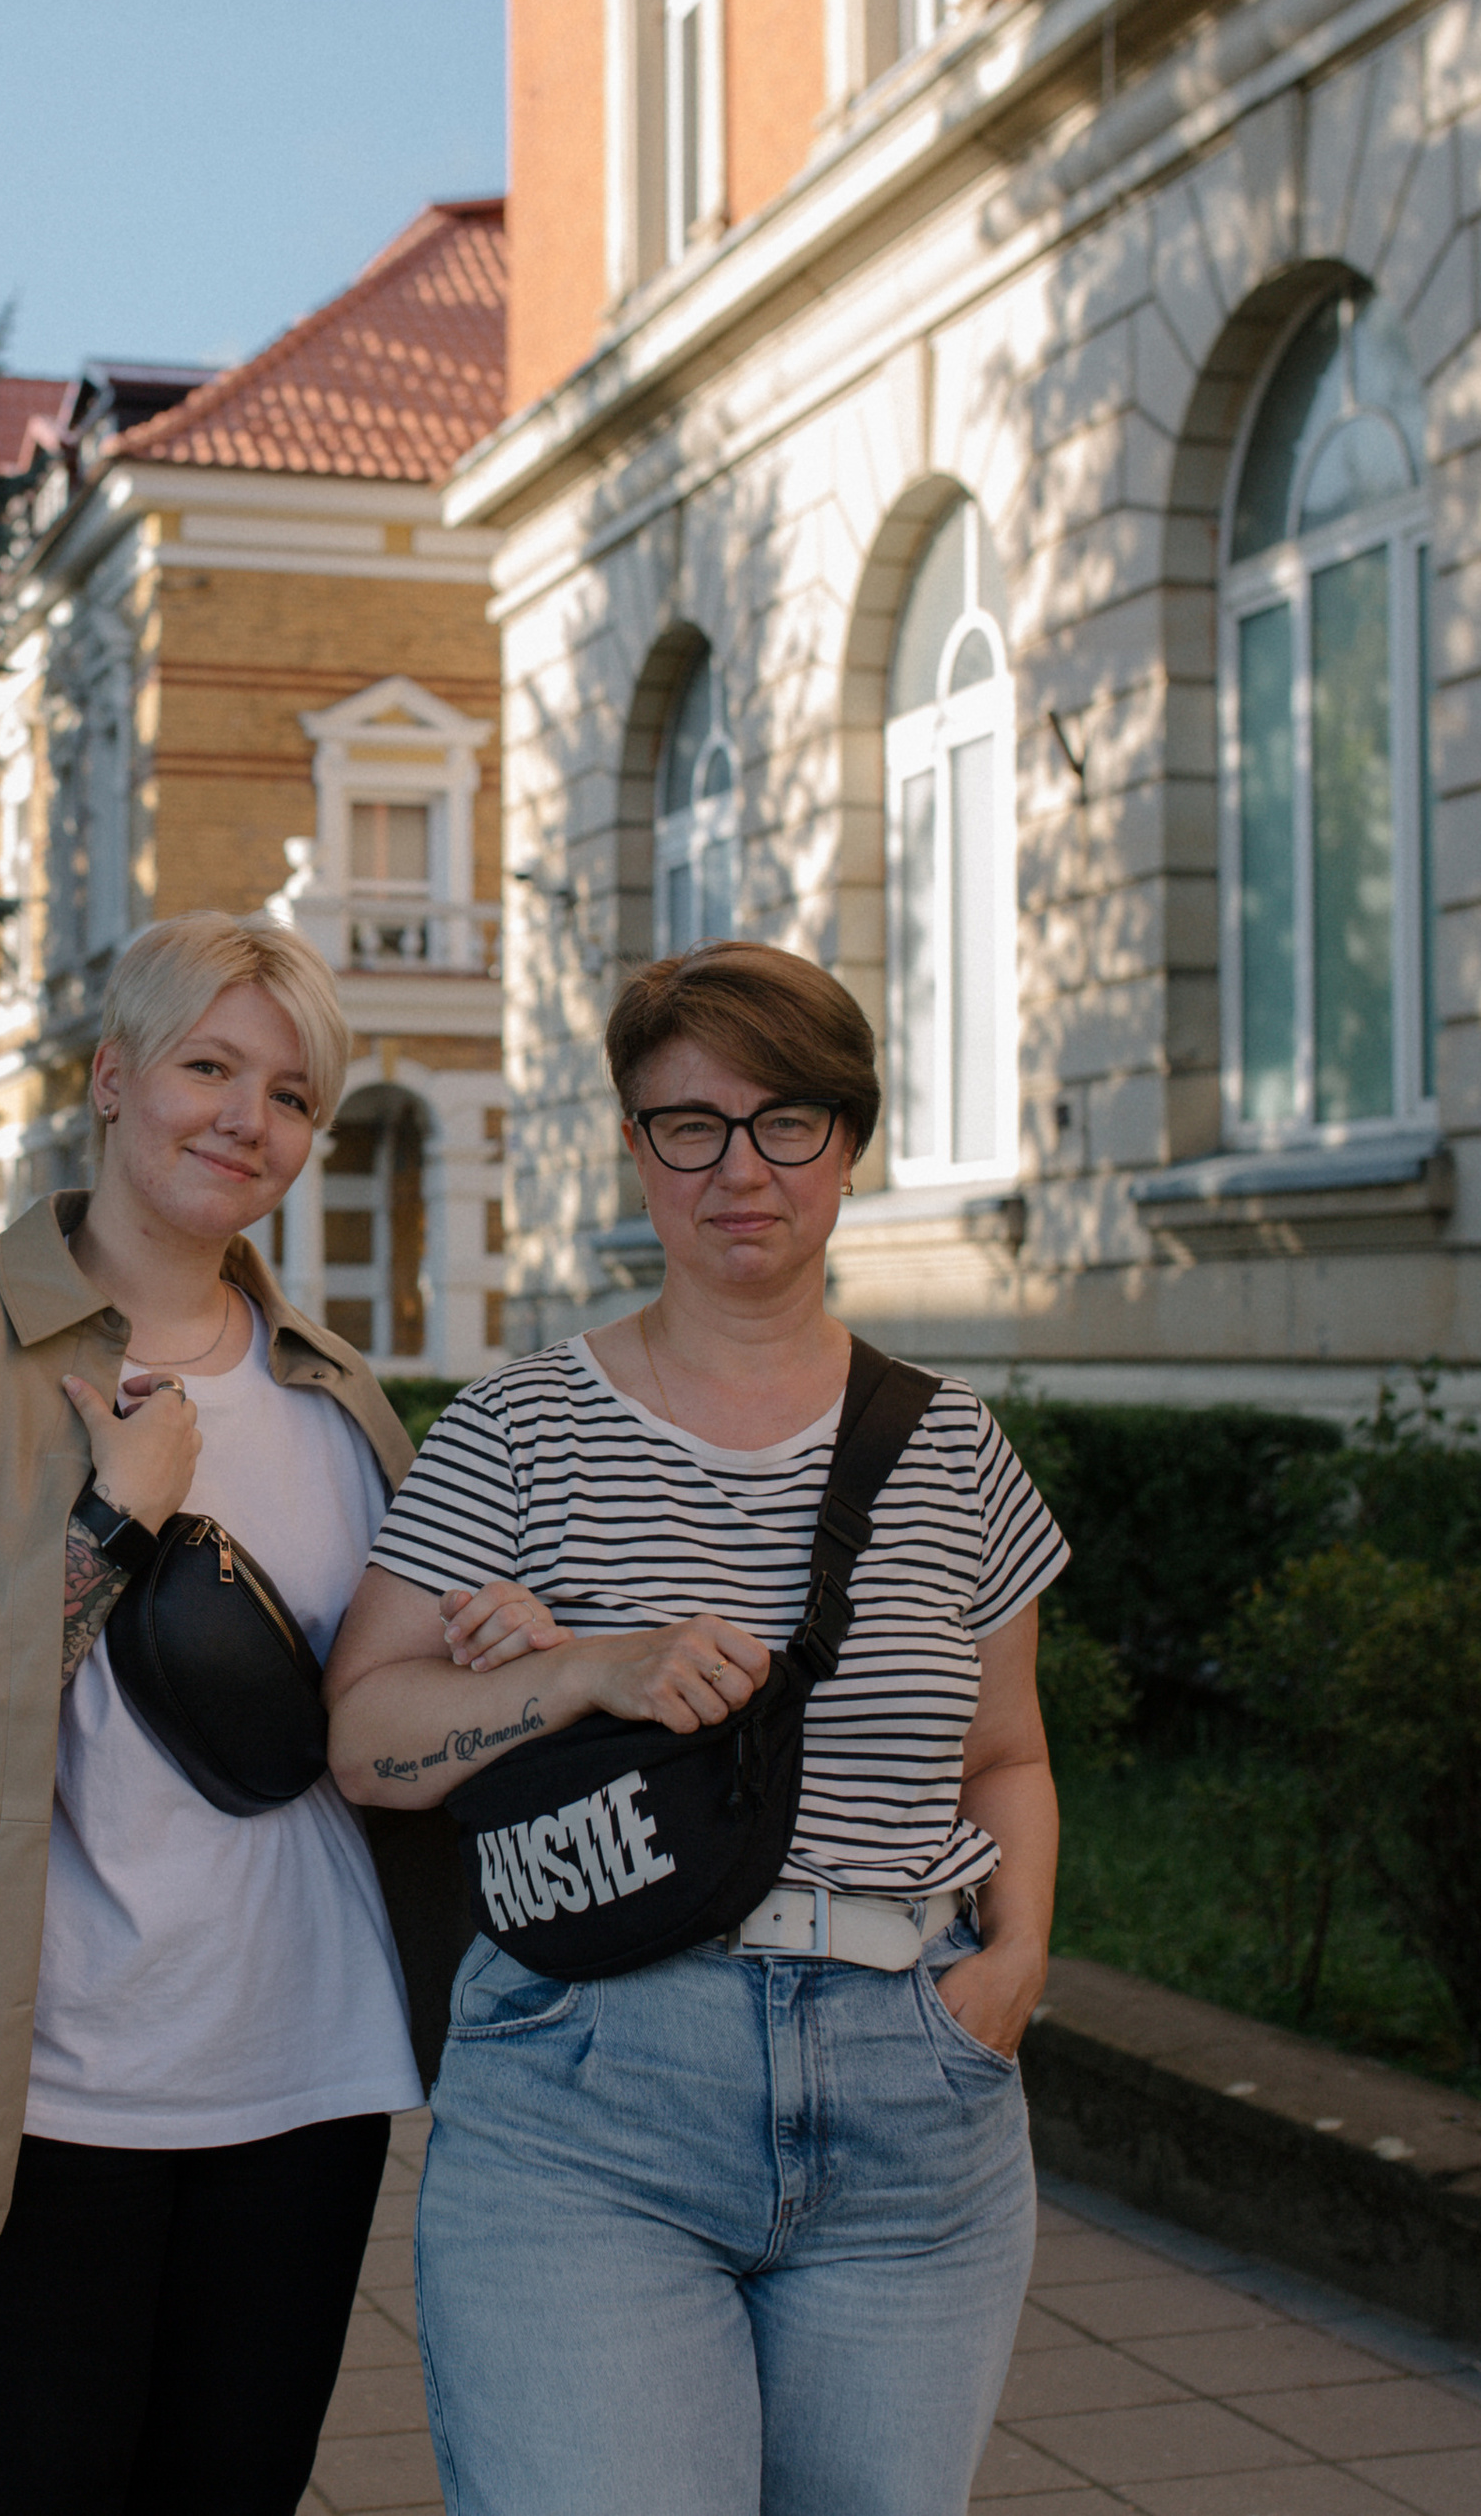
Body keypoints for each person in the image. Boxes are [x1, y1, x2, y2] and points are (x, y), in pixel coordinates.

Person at [0, 910, 553, 2516]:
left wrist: (488, 1655)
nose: (248, 1119)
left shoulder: (330, 1390)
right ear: (110, 1080)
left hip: (302, 2069)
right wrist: (110, 1527)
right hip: (42, 2096)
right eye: (209, 1067)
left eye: (292, 1094)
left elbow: (366, 1724)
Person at [326, 939, 1068, 2516]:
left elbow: (1005, 1754)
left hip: (916, 2099)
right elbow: (364, 1732)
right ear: (633, 1150)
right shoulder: (518, 1430)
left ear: (849, 1145)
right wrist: (583, 1673)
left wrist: (1012, 1972)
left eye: (786, 1120)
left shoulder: (953, 1448)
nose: (742, 1168)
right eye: (690, 1125)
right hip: (593, 2097)